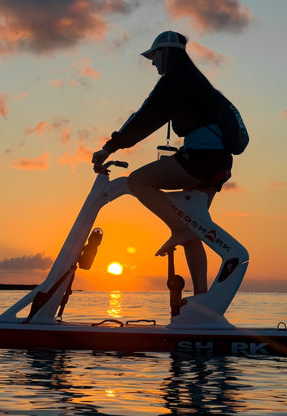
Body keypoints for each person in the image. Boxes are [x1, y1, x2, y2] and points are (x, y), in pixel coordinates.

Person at [92, 31, 235, 295]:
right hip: (219, 163)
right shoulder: (197, 82)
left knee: (137, 180)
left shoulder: (174, 81)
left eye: (154, 56)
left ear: (166, 53)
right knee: (195, 228)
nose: (152, 62)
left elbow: (144, 119)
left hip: (201, 159)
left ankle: (178, 229)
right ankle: (202, 300)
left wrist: (109, 147)